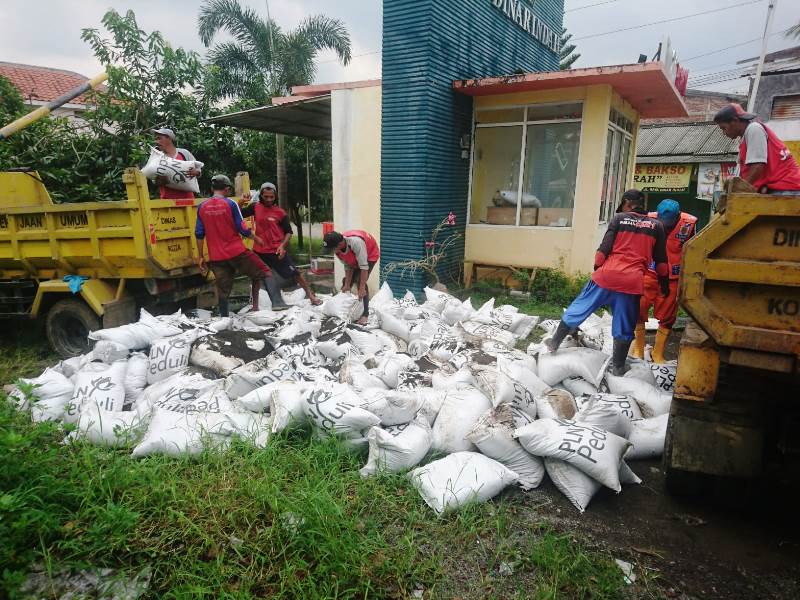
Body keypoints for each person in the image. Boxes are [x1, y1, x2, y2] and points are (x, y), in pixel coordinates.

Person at [545, 189, 669, 375]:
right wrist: (665, 286)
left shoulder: (618, 219)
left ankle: (554, 343)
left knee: (579, 308)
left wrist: (598, 270)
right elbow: (661, 263)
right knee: (624, 325)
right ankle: (618, 367)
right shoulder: (657, 226)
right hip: (631, 282)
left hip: (606, 276)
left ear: (627, 203)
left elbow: (602, 252)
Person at [195, 174, 283, 317]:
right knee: (264, 271)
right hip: (237, 252)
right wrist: (257, 239)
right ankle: (278, 303)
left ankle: (224, 319)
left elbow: (199, 233)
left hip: (216, 257)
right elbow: (242, 228)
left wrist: (200, 256)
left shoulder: (202, 207)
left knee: (223, 289)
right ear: (227, 189)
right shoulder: (230, 204)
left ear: (212, 188)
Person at [631, 199, 697, 363]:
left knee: (668, 315)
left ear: (678, 216)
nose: (664, 225)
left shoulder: (690, 224)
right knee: (638, 308)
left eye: (668, 222)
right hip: (649, 273)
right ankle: (638, 349)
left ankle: (657, 353)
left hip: (672, 277)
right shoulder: (648, 219)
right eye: (662, 221)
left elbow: (696, 250)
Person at [241, 182, 322, 307]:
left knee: (295, 273)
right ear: (261, 195)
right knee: (256, 277)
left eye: (271, 197)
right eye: (266, 196)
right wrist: (242, 201)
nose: (268, 199)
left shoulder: (280, 212)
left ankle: (311, 296)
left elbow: (288, 232)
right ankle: (255, 307)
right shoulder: (255, 207)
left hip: (276, 250)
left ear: (275, 197)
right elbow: (238, 214)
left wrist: (282, 246)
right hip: (259, 251)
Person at [713, 103, 800, 195]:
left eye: (724, 128)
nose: (724, 133)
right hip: (781, 188)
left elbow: (757, 166)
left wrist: (738, 192)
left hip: (787, 188)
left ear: (734, 121)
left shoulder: (754, 129)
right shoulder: (746, 136)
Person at [323, 229, 380, 325]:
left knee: (360, 282)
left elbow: (364, 267)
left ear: (339, 244)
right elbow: (348, 265)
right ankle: (344, 309)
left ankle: (365, 314)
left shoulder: (356, 243)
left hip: (370, 254)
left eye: (331, 248)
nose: (331, 252)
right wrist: (347, 285)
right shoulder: (337, 250)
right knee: (346, 282)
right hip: (356, 256)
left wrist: (361, 288)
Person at [152, 127, 201, 200]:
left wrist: (196, 172)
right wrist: (159, 180)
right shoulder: (157, 157)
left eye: (159, 138)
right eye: (156, 139)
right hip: (166, 202)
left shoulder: (184, 153)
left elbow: (198, 170)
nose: (156, 141)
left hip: (188, 201)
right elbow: (154, 180)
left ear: (169, 138)